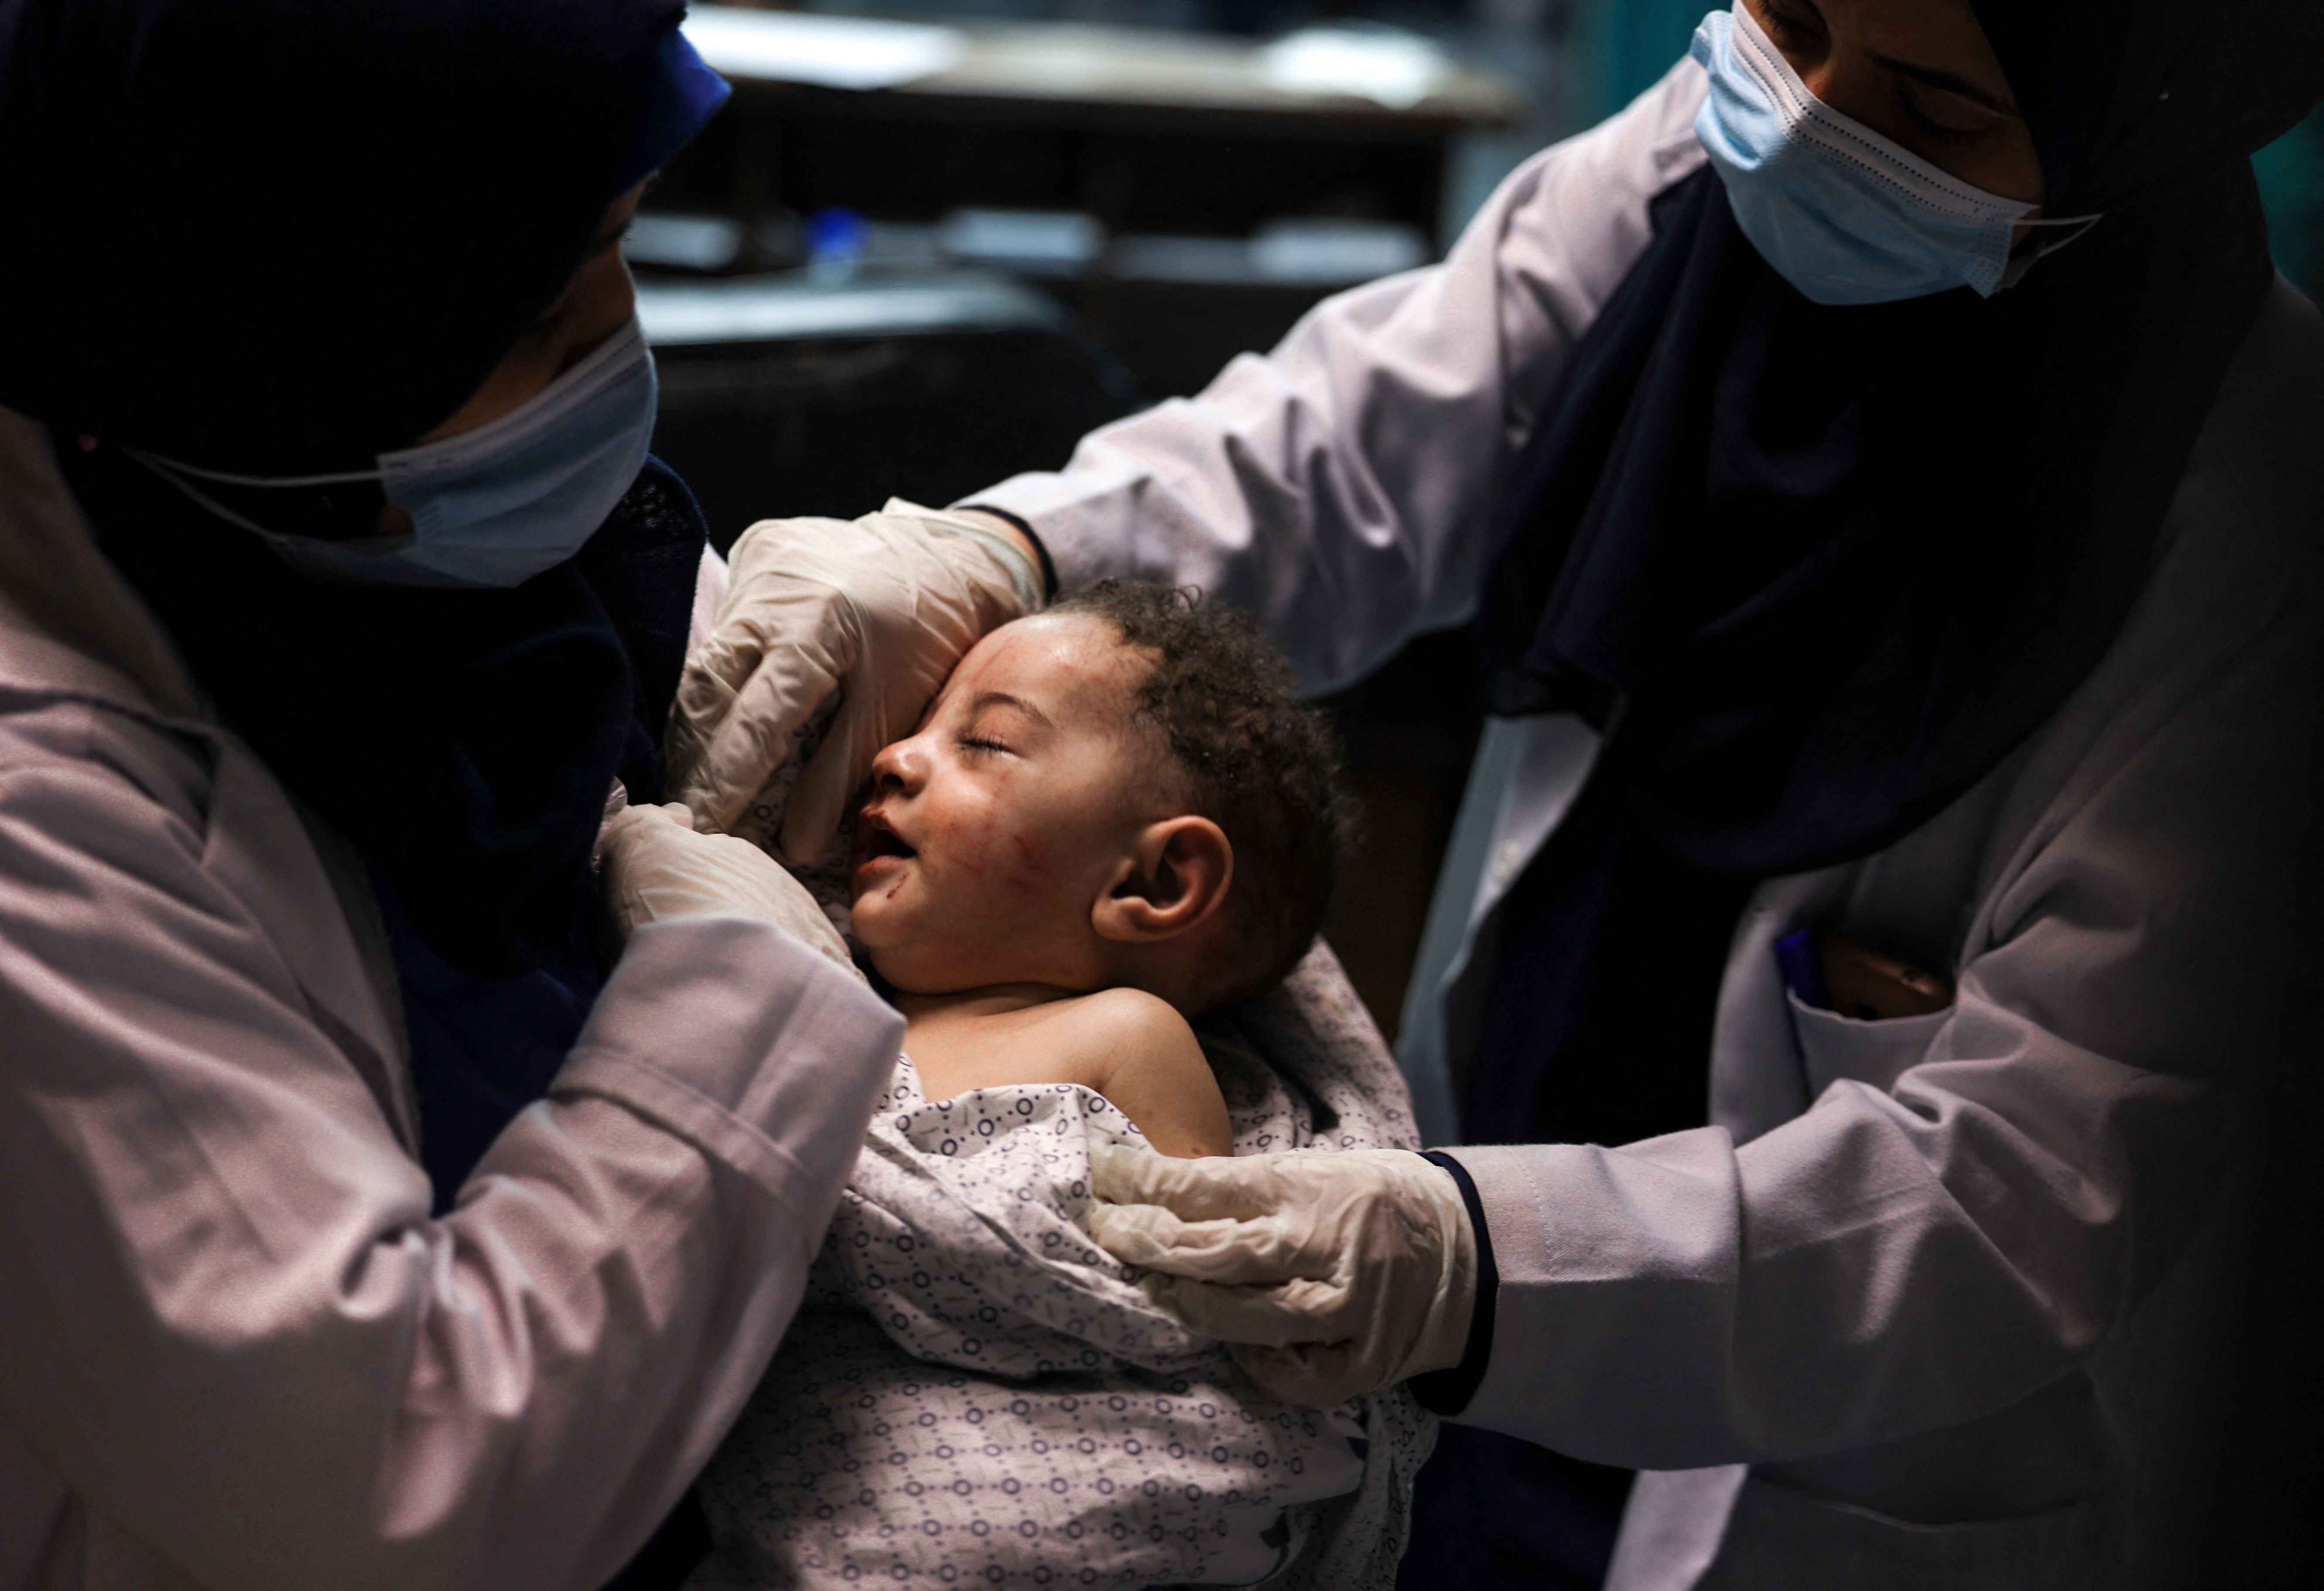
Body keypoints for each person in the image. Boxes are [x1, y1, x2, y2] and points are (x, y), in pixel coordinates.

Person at [668, 0, 2324, 1583]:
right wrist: (995, 560)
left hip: (1800, 1453)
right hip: (1467, 1287)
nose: (1811, 123)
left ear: (2133, 118)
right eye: (1792, 20)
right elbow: (1340, 451)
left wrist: (1472, 1261)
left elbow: (2022, 1185)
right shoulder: (1700, 167)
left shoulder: (2246, 516)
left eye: (1939, 109)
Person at [0, 4, 938, 1588]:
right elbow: (395, 1483)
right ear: (291, 323)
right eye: (528, 307)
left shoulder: (432, 533)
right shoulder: (45, 818)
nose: (612, 336)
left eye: (620, 242)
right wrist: (748, 993)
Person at [849, 579, 1356, 1159]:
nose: (893, 756)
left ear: (1153, 881)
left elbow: (1184, 1240)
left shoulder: (1125, 1039)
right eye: (919, 725)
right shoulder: (842, 971)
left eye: (985, 742)